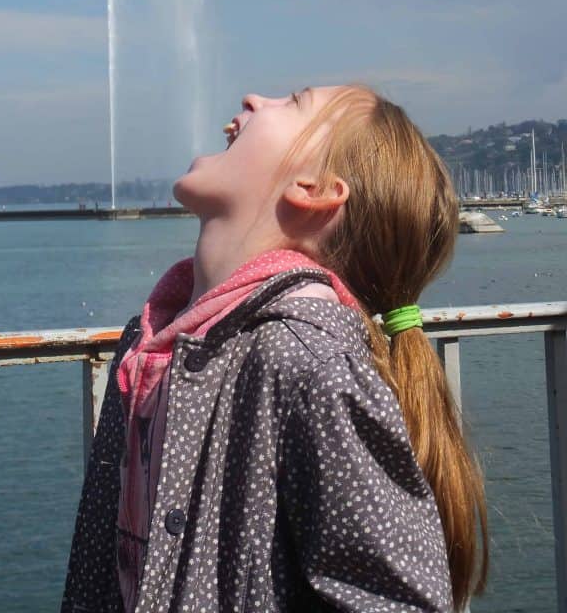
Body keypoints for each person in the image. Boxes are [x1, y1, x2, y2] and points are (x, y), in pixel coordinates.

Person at [61, 84, 487, 613]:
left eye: (293, 102)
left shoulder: (307, 363)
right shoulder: (150, 343)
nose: (252, 99)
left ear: (313, 189)